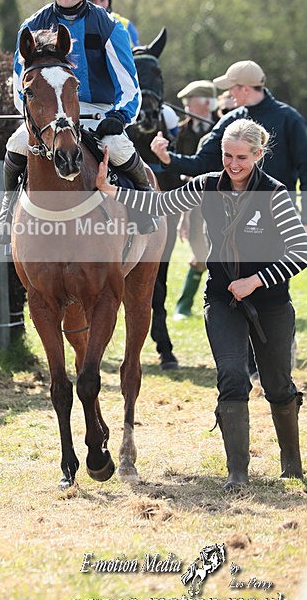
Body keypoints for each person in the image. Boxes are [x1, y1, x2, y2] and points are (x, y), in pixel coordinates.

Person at [96, 119, 307, 490]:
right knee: (232, 376)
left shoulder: (274, 194)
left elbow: (300, 251)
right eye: (227, 155)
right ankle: (237, 474)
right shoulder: (206, 185)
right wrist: (111, 191)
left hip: (271, 302)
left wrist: (255, 281)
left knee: (277, 385)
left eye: (242, 157)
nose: (233, 164)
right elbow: (160, 202)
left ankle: (291, 464)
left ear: (258, 155)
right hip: (222, 300)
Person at [0, 0, 152, 243]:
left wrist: (119, 117)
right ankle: (7, 209)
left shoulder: (109, 26)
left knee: (118, 147)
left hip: (99, 114)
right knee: (17, 142)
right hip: (48, 117)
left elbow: (130, 87)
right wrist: (38, 118)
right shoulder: (31, 26)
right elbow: (20, 86)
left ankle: (145, 200)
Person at [150, 60, 307, 225]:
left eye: (231, 88)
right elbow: (202, 164)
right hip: (235, 221)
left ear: (245, 89)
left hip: (278, 218)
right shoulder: (230, 120)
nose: (229, 93)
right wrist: (167, 158)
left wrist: (305, 220)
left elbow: (305, 170)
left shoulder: (290, 119)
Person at [172, 80, 219, 320]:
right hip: (195, 202)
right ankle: (184, 305)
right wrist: (185, 216)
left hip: (224, 202)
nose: (186, 107)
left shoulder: (224, 127)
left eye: (190, 101)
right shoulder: (180, 132)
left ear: (206, 103)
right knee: (200, 254)